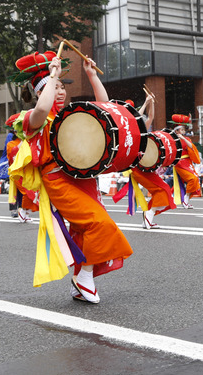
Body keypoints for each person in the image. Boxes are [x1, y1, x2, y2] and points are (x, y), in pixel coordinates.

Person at [8, 51, 133, 304]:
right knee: (99, 224)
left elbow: (106, 107)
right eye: (55, 87)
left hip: (83, 178)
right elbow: (42, 106)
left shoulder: (70, 116)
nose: (61, 91)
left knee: (83, 230)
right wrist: (52, 74)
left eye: (63, 86)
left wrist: (91, 75)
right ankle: (83, 277)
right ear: (42, 90)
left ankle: (81, 280)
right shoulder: (34, 119)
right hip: (59, 181)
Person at [115, 93, 177, 229]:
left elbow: (151, 117)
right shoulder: (129, 132)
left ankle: (147, 219)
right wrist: (145, 102)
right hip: (138, 168)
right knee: (162, 189)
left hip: (144, 167)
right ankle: (148, 216)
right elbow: (134, 118)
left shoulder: (143, 133)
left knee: (163, 189)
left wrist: (151, 103)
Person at [170, 115, 202, 208]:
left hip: (188, 162)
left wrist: (183, 138)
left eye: (184, 129)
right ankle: (185, 199)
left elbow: (191, 147)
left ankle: (183, 199)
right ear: (176, 131)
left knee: (195, 179)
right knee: (192, 179)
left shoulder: (187, 139)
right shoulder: (173, 140)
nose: (184, 131)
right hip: (179, 163)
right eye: (182, 129)